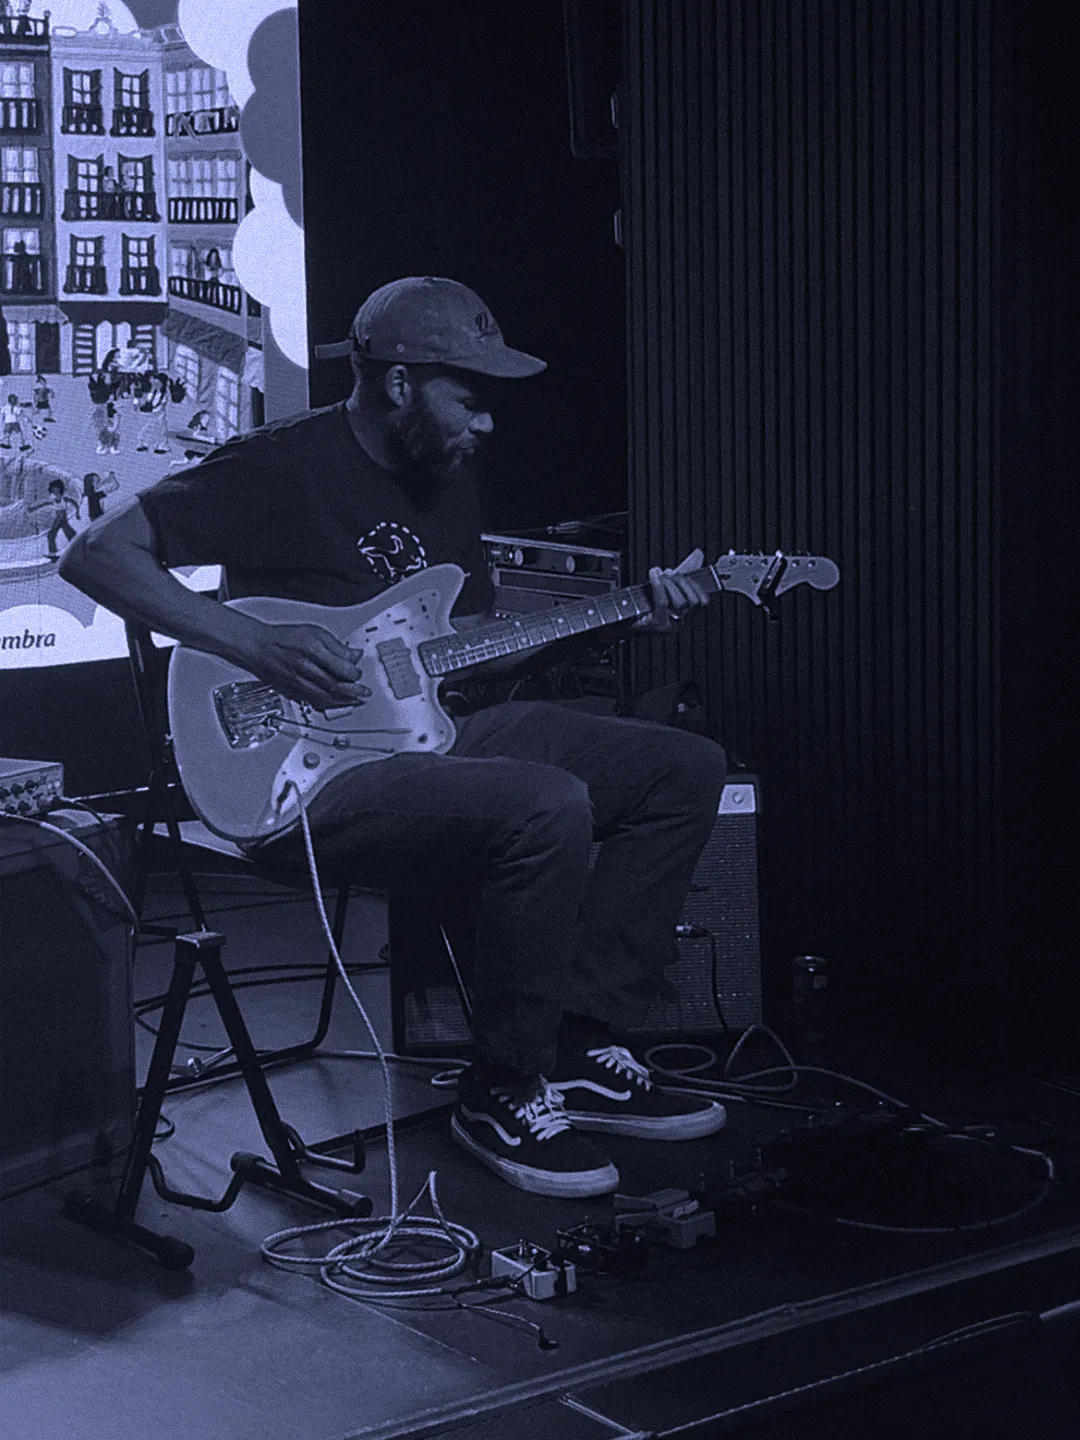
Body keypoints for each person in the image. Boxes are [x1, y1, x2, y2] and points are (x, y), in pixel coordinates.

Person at [59, 276, 728, 1200]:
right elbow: (94, 553)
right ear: (401, 382)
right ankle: (503, 1087)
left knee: (681, 767)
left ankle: (576, 1040)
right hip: (300, 777)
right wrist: (256, 644)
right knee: (547, 804)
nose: (487, 423)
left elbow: (468, 662)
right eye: (471, 397)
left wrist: (624, 618)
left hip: (422, 737)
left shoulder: (446, 481)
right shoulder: (280, 464)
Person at [28, 479, 79, 559]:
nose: (53, 490)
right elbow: (44, 503)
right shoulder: (53, 498)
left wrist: (77, 513)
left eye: (55, 488)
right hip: (58, 519)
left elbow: (75, 503)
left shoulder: (64, 498)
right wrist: (33, 508)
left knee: (62, 533)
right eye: (52, 489)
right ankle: (54, 552)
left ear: (59, 488)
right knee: (57, 534)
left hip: (62, 518)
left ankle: (76, 547)